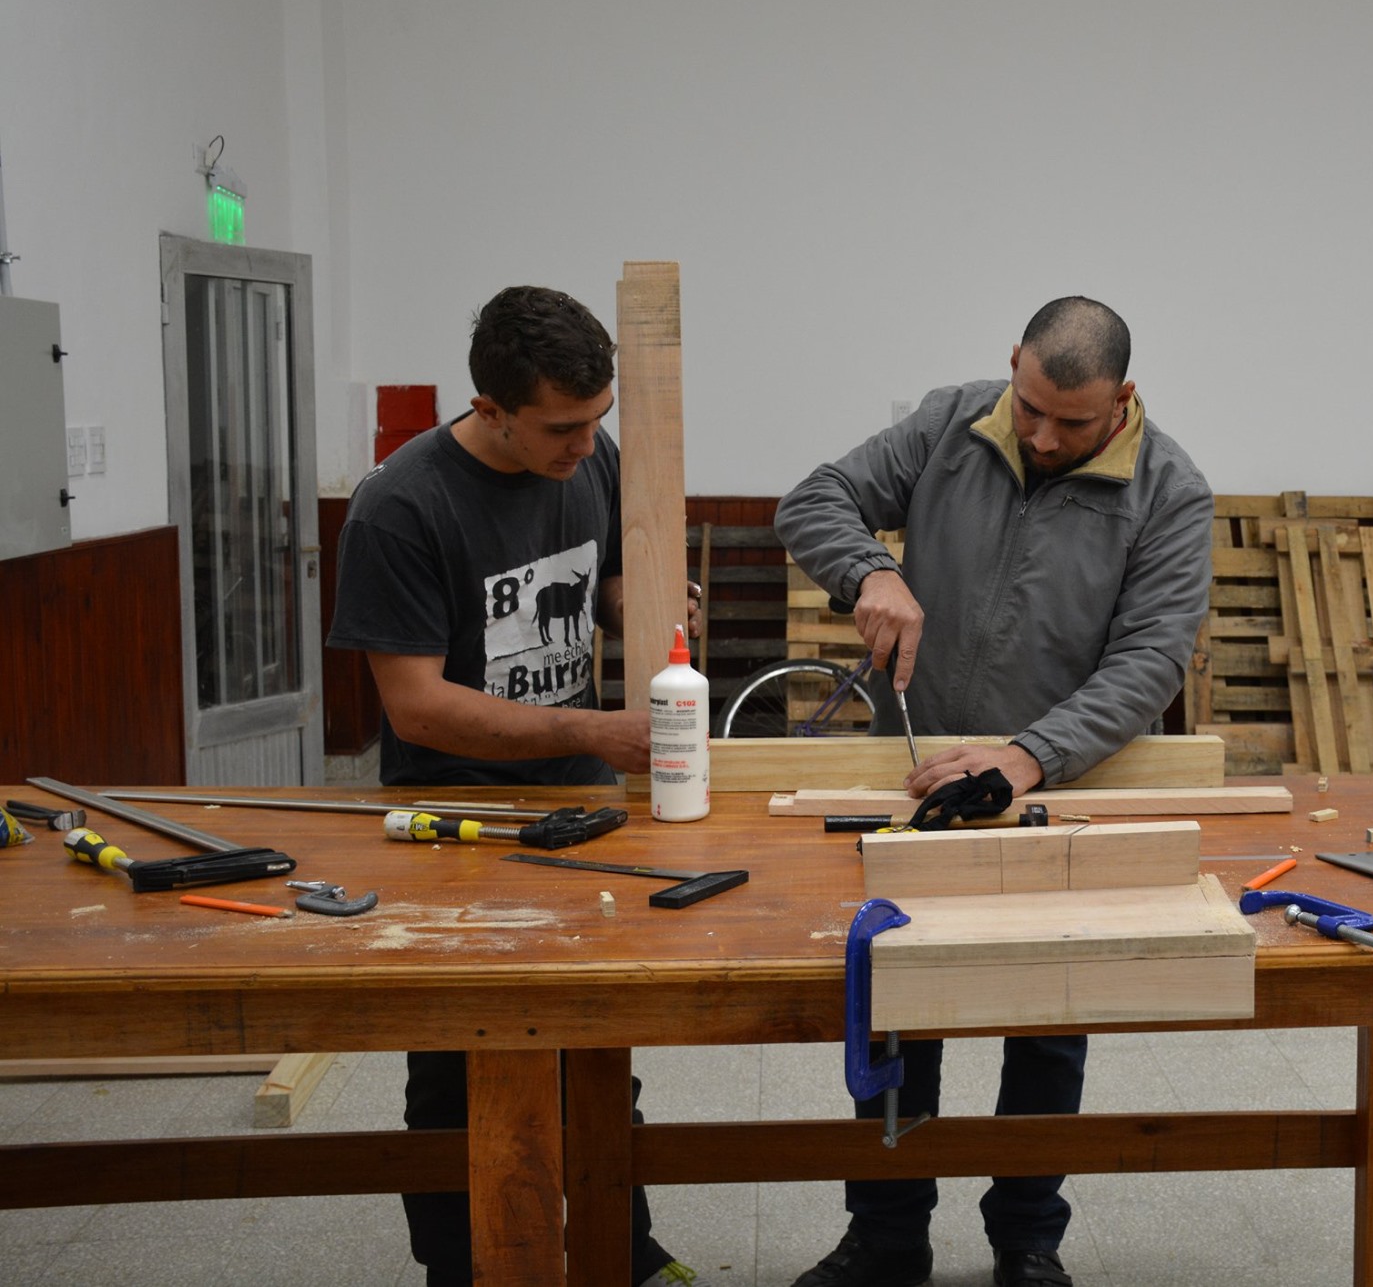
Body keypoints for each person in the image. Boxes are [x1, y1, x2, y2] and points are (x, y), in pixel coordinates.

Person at [775, 296, 1214, 1287]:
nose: (1044, 437)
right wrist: (868, 571)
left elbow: (1149, 662)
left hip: (1057, 785)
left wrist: (1027, 756)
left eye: (1073, 421)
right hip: (923, 778)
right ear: (1012, 363)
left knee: (1049, 1021)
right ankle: (886, 1238)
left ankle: (1027, 1239)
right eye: (1030, 408)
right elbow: (813, 500)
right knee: (899, 1008)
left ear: (1123, 399)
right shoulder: (950, 423)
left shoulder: (1169, 490)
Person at [328, 284, 699, 1287]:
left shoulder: (589, 455)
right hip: (455, 818)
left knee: (598, 1041)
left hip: (578, 804)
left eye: (596, 420)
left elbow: (604, 581)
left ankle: (625, 1248)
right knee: (456, 1066)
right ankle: (460, 1266)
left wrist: (646, 602)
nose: (585, 444)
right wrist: (599, 730)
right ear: (489, 408)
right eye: (561, 428)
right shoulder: (400, 507)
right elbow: (416, 706)